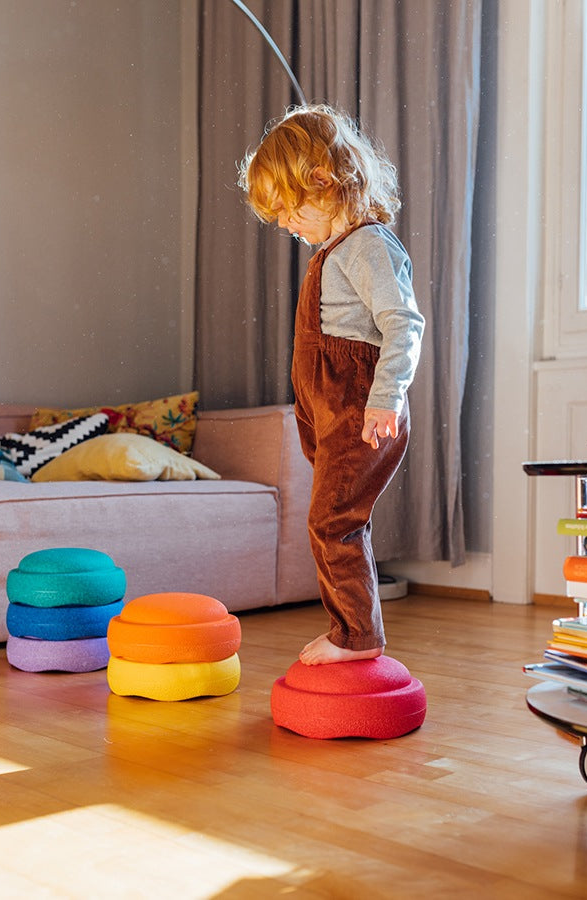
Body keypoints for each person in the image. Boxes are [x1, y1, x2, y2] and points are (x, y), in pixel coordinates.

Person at [239, 105, 424, 665]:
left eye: (288, 209)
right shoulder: (335, 250)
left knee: (332, 522)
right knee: (334, 520)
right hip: (329, 410)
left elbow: (403, 323)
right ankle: (353, 630)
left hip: (359, 409)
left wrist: (386, 398)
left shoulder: (368, 245)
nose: (284, 225)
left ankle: (356, 637)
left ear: (323, 180)